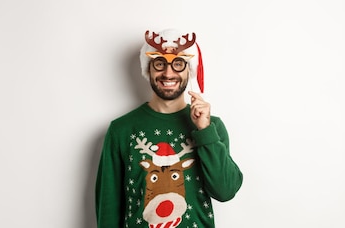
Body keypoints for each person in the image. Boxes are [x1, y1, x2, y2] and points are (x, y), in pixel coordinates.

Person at [95, 28, 243, 228]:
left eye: (178, 64)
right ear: (148, 69)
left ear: (189, 70)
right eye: (159, 63)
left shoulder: (212, 127)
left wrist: (205, 131)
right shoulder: (121, 130)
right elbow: (108, 207)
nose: (168, 73)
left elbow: (225, 191)